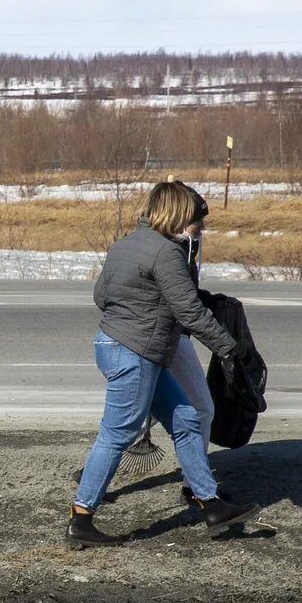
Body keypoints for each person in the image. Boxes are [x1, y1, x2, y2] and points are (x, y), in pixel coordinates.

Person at [73, 179, 250, 543]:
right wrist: (229, 347)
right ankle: (81, 519)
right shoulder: (167, 253)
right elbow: (188, 311)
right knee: (117, 434)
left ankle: (209, 502)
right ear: (180, 215)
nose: (200, 227)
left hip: (115, 344)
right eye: (197, 220)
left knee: (186, 418)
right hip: (134, 354)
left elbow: (101, 295)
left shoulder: (124, 245)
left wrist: (135, 313)